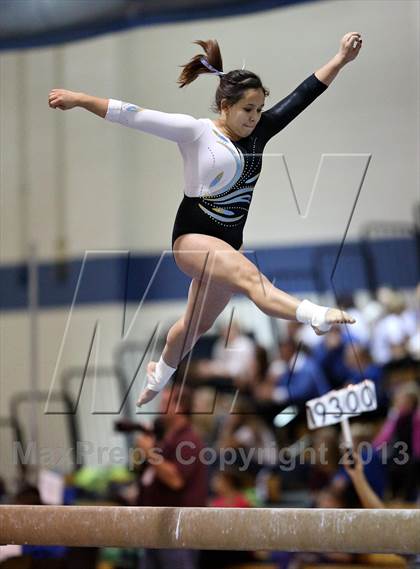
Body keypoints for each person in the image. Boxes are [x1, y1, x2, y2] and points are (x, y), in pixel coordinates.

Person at [48, 33, 362, 406]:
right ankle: (313, 314)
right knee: (250, 279)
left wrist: (340, 58)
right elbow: (134, 115)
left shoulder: (260, 132)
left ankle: (159, 374)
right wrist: (80, 99)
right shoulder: (196, 132)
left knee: (195, 327)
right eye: (247, 109)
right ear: (225, 106)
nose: (255, 117)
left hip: (228, 242)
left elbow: (304, 94)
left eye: (260, 108)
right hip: (192, 238)